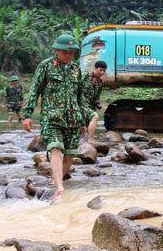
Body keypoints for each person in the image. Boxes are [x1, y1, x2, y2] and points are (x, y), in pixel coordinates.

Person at [22, 34, 85, 200]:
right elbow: (34, 91)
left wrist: (83, 120)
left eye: (72, 52)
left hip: (73, 118)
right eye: (65, 51)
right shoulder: (46, 67)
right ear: (57, 50)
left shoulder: (76, 70)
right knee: (56, 148)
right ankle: (59, 188)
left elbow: (79, 97)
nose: (69, 55)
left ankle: (56, 180)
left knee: (70, 153)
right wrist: (27, 115)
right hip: (52, 117)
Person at [82, 60, 107, 141]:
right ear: (95, 68)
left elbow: (97, 96)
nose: (102, 72)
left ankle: (84, 142)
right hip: (81, 104)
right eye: (100, 70)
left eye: (104, 70)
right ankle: (91, 140)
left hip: (90, 105)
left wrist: (97, 103)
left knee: (86, 123)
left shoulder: (100, 82)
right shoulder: (86, 76)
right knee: (95, 116)